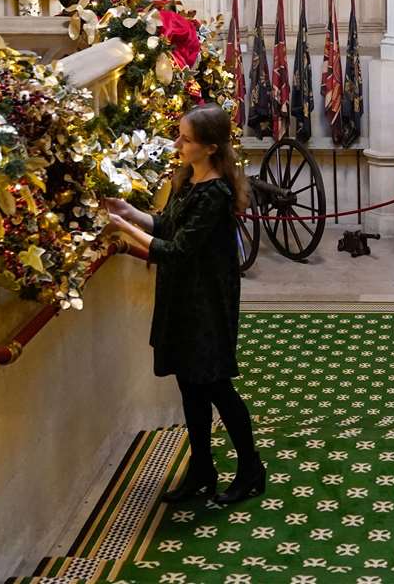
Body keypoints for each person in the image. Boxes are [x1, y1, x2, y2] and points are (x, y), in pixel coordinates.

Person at [101, 103, 264, 505]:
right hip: (182, 299)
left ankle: (251, 468)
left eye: (186, 139)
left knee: (217, 388)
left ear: (209, 147)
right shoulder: (188, 179)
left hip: (206, 303)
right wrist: (132, 213)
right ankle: (202, 470)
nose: (178, 143)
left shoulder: (216, 192)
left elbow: (176, 249)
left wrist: (123, 229)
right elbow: (167, 224)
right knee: (190, 388)